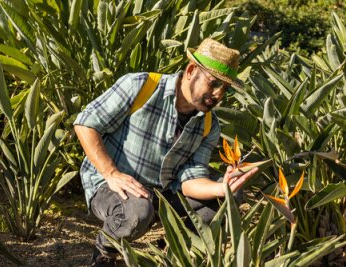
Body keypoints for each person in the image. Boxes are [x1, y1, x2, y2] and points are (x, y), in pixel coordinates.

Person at [74, 38, 259, 266]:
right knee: (138, 211)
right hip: (111, 183)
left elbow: (190, 180)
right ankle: (106, 251)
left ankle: (168, 249)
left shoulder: (209, 125)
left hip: (161, 192)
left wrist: (223, 188)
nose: (219, 94)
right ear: (191, 71)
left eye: (225, 88)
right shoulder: (141, 85)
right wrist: (111, 173)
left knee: (227, 198)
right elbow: (85, 123)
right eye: (213, 84)